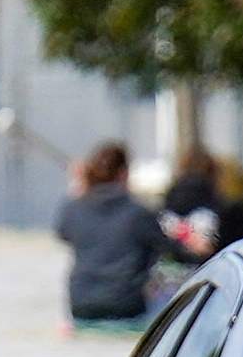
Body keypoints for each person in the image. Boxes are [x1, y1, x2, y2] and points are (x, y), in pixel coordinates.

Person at [56, 141, 187, 329]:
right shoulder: (139, 213)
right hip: (126, 307)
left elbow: (62, 232)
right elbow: (171, 251)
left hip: (82, 306)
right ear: (124, 173)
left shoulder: (74, 208)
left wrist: (81, 187)